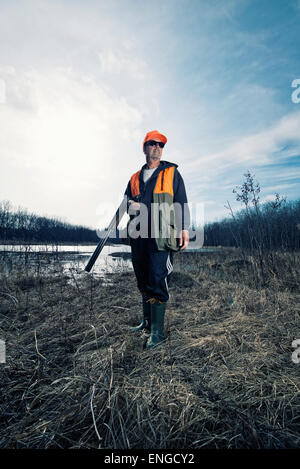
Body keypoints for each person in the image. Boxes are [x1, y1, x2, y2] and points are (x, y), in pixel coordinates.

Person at [124, 130, 190, 349]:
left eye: (161, 145)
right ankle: (146, 323)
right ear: (144, 148)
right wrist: (129, 207)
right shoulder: (134, 178)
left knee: (157, 279)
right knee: (142, 280)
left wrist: (184, 229)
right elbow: (124, 204)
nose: (157, 147)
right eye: (152, 144)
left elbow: (181, 201)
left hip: (162, 237)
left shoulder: (171, 173)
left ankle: (157, 333)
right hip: (139, 236)